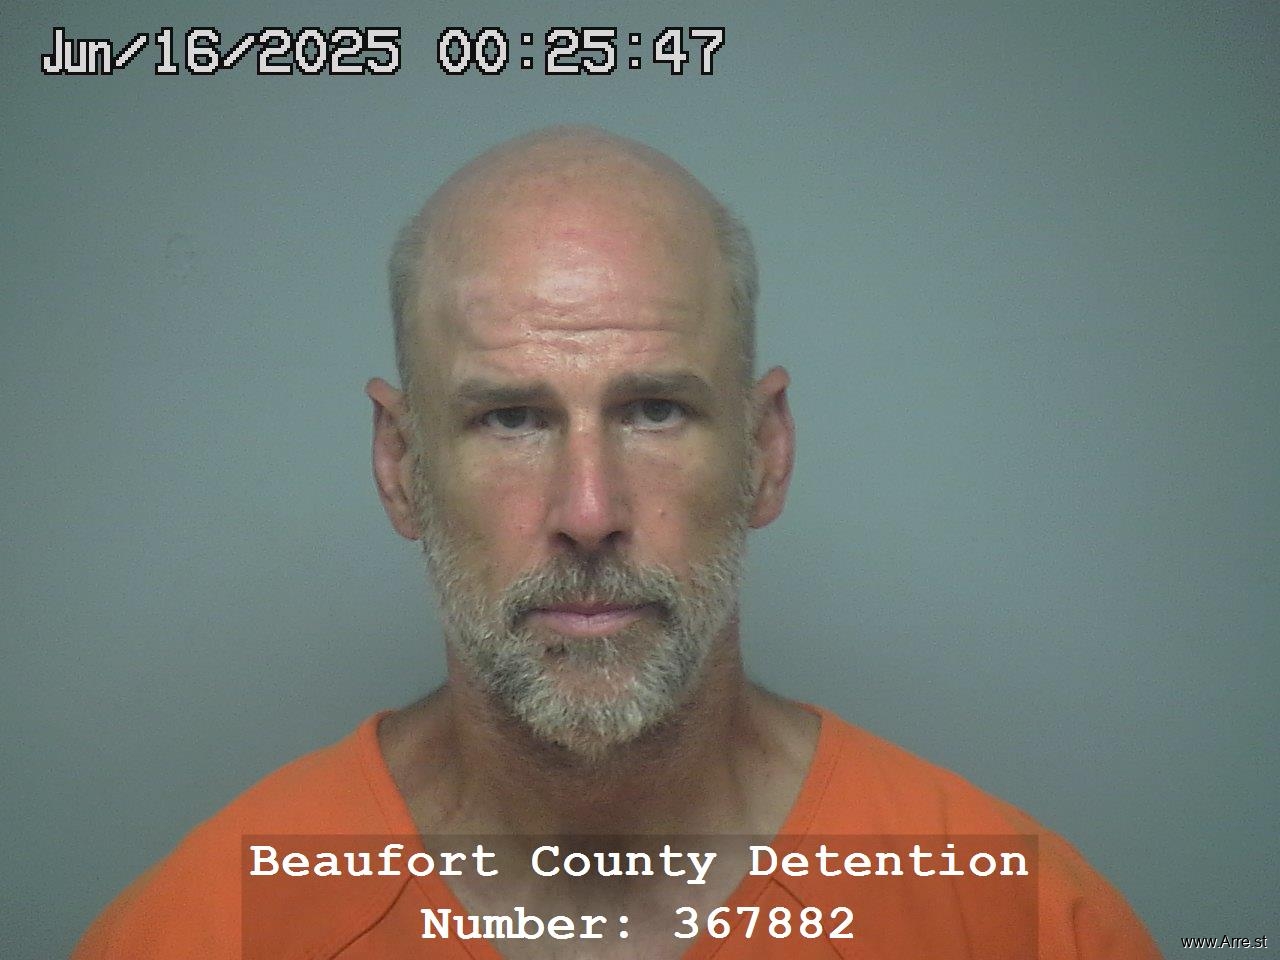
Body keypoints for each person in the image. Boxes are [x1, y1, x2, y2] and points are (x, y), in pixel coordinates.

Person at [72, 127, 1160, 959]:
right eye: (510, 418)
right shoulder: (197, 930)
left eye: (653, 410)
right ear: (402, 466)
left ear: (766, 453)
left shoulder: (1021, 923)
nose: (588, 510)